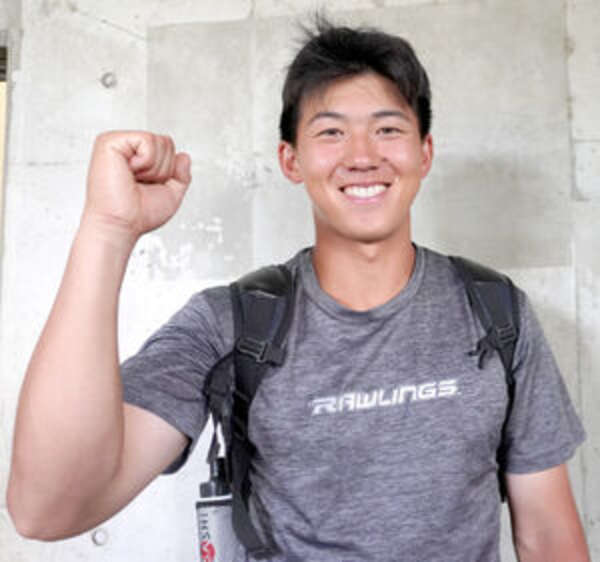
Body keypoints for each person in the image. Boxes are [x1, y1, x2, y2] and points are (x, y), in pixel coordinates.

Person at [7, 17, 590, 562]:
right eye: (331, 132)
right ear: (290, 159)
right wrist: (108, 230)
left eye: (388, 129)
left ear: (424, 152)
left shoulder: (495, 311)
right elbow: (45, 510)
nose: (362, 156)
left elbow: (547, 534)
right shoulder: (231, 325)